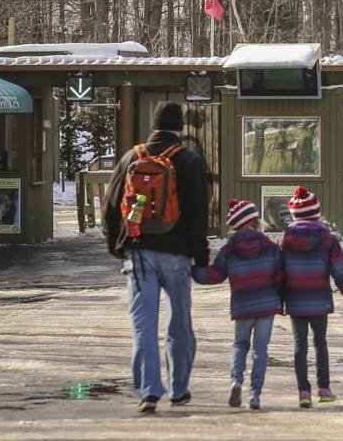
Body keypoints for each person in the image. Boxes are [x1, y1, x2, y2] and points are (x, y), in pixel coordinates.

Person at [102, 102, 211, 414]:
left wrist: (117, 245)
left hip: (138, 254)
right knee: (179, 324)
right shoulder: (189, 160)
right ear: (179, 127)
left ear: (153, 125)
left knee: (143, 326)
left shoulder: (130, 158)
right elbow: (198, 214)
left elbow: (110, 208)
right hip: (176, 255)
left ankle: (149, 391)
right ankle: (179, 389)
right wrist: (200, 256)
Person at [192, 200, 283, 411]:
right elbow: (280, 276)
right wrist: (281, 299)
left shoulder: (229, 249)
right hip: (267, 307)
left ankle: (236, 382)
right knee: (261, 350)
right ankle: (255, 395)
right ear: (255, 221)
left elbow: (214, 275)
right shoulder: (269, 246)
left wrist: (194, 271)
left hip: (243, 307)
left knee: (240, 345)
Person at [280, 186, 343, 408]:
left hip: (295, 301)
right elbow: (341, 272)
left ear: (294, 214)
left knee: (300, 346)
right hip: (319, 301)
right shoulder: (327, 239)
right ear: (316, 213)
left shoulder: (285, 240)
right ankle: (324, 389)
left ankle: (303, 392)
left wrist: (277, 302)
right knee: (320, 343)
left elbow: (277, 273)